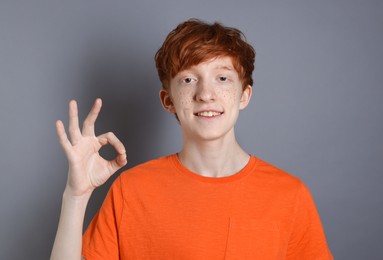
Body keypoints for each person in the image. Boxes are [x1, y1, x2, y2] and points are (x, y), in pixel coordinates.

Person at [51, 19, 333, 260]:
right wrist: (75, 196)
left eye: (222, 78)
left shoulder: (289, 196)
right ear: (168, 100)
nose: (205, 93)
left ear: (244, 95)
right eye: (188, 80)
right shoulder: (131, 191)